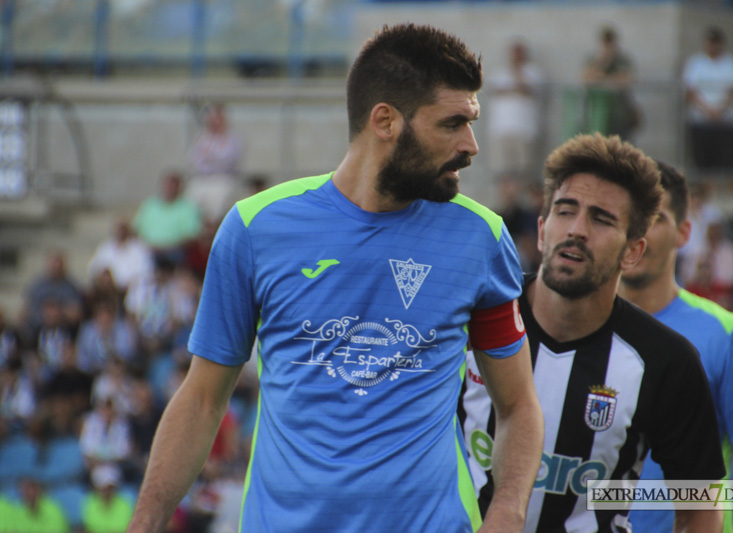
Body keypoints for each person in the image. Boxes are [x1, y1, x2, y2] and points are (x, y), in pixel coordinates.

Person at [128, 23, 543, 533]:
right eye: (452, 124)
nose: (472, 145)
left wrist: (507, 511)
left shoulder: (481, 236)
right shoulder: (255, 229)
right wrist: (145, 521)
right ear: (385, 121)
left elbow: (518, 403)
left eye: (472, 122)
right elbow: (202, 397)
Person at [461, 133, 725, 532]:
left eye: (601, 219)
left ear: (632, 251)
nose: (577, 230)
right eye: (565, 211)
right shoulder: (468, 323)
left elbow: (700, 507)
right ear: (543, 228)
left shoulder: (666, 361)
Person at [620, 161, 733, 533]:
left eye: (655, 218)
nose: (637, 232)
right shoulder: (582, 327)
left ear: (683, 232)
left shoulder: (729, 336)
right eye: (626, 217)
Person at [682, 26, 733, 184]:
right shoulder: (696, 63)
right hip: (702, 120)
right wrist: (708, 110)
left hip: (726, 120)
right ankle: (708, 193)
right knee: (704, 163)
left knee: (730, 162)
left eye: (715, 42)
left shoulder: (731, 64)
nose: (712, 46)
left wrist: (720, 110)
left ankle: (732, 194)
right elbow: (690, 92)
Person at [487, 39, 544, 181]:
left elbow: (526, 89)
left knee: (524, 169)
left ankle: (523, 200)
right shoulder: (500, 73)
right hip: (502, 129)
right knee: (502, 170)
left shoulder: (533, 72)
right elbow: (496, 91)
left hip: (524, 130)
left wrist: (515, 80)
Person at [186, 103, 244, 223]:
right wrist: (213, 158)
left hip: (221, 179)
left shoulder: (231, 138)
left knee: (216, 209)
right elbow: (194, 158)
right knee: (189, 206)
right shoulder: (202, 137)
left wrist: (210, 157)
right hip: (201, 178)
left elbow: (227, 159)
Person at [580, 26, 640, 141]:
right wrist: (603, 62)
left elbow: (627, 79)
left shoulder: (621, 60)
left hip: (620, 115)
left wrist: (603, 78)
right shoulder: (594, 60)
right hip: (597, 115)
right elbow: (586, 78)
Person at [132, 169, 202, 266]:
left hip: (175, 252)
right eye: (168, 184)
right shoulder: (149, 205)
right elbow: (136, 230)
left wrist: (167, 248)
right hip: (148, 251)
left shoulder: (188, 207)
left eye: (174, 184)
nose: (170, 188)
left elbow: (192, 236)